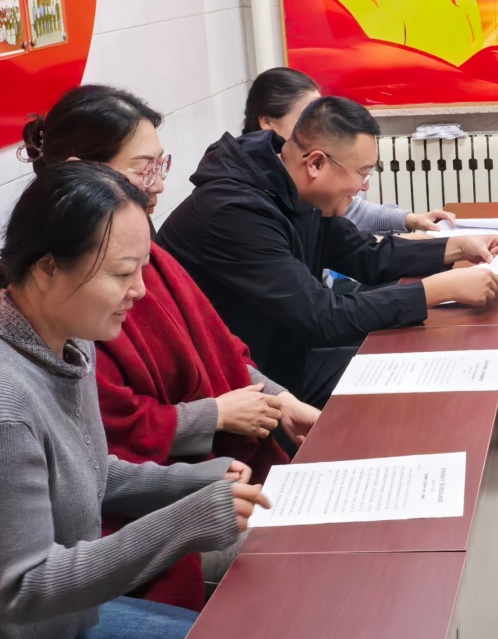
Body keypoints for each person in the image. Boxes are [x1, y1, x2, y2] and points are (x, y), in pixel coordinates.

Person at [0, 163, 270, 639]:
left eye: (142, 269)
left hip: (63, 622)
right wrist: (184, 522)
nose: (141, 291)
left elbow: (91, 471)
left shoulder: (67, 339)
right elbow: (26, 588)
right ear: (47, 269)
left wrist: (198, 478)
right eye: (122, 273)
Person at [19, 85, 320, 609]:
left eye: (161, 165)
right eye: (143, 169)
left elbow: (219, 345)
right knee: (306, 554)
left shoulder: (136, 252)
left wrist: (277, 401)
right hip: (106, 542)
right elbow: (33, 576)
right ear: (81, 171)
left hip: (174, 483)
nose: (158, 186)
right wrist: (210, 431)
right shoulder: (68, 305)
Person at [158, 95, 498, 407]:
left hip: (287, 354)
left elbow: (365, 257)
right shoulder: (234, 211)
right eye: (362, 174)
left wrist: (457, 246)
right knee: (408, 390)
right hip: (239, 383)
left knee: (425, 361)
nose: (363, 186)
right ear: (316, 164)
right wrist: (435, 291)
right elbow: (323, 317)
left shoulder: (295, 187)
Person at [242, 65, 453, 235]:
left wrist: (411, 220)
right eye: (305, 117)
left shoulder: (303, 182)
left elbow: (354, 219)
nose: (319, 125)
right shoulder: (254, 200)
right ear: (267, 122)